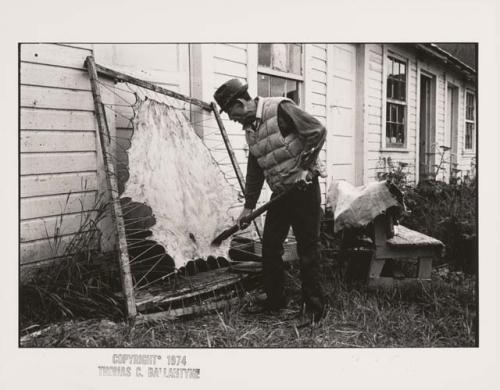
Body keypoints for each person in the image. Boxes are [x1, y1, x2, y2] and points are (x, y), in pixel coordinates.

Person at [214, 78, 328, 323]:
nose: (231, 118)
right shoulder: (250, 131)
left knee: (308, 248)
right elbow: (255, 168)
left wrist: (305, 167)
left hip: (304, 188)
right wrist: (248, 206)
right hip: (281, 193)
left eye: (230, 111)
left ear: (240, 103)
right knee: (270, 246)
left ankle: (314, 308)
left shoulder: (280, 109)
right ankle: (275, 299)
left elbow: (317, 131)